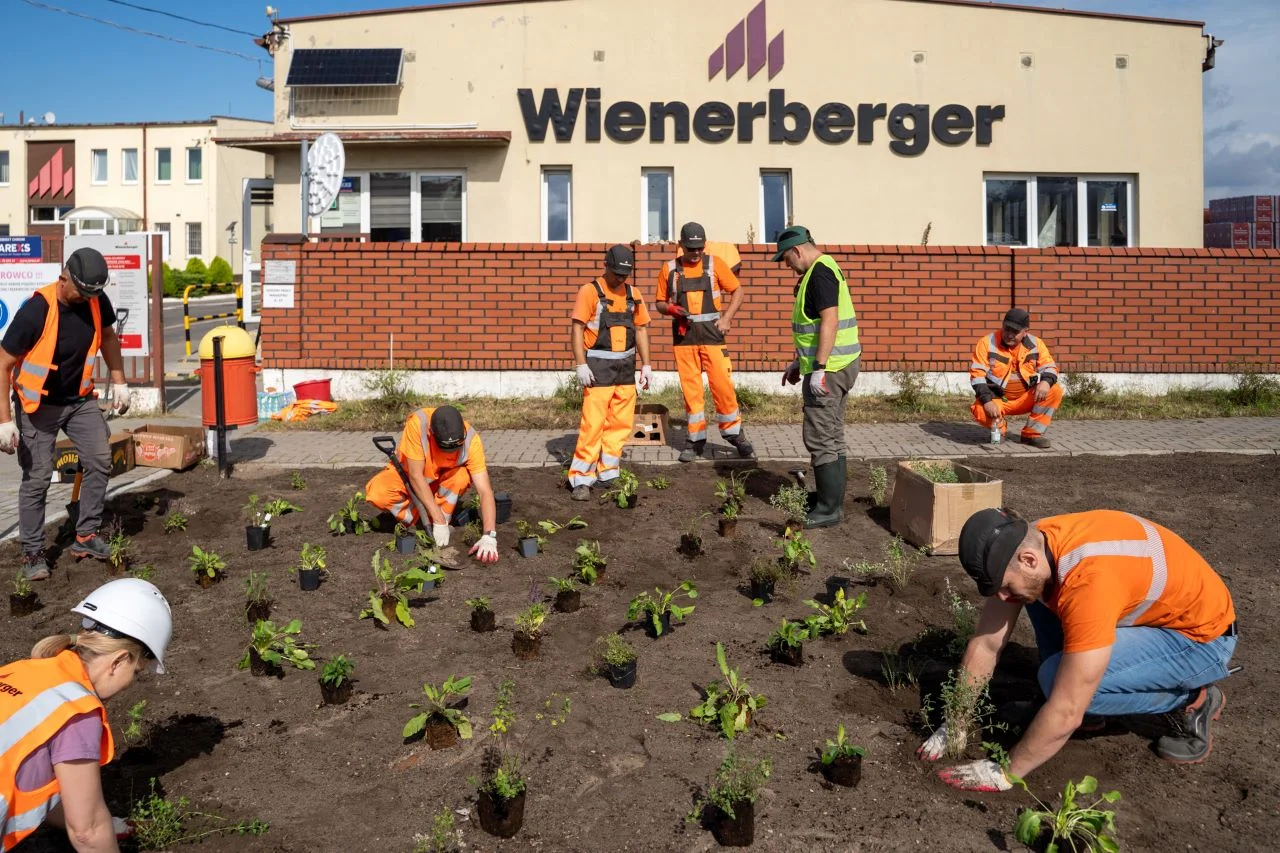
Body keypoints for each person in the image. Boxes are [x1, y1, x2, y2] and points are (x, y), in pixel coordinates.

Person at [920, 508, 1238, 792]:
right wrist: (956, 720)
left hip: (1199, 639)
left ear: (1027, 559)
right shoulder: (1034, 546)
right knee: (1030, 593)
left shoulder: (1089, 584)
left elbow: (1068, 709)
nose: (1002, 598)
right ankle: (1095, 710)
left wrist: (1004, 772)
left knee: (1058, 681)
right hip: (1153, 612)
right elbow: (987, 643)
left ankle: (1195, 698)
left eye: (1003, 586)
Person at [1, 577, 172, 851]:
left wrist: (100, 820)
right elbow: (87, 832)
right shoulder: (77, 711)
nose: (131, 683)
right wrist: (96, 825)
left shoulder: (21, 671)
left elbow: (30, 777)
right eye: (136, 672)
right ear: (118, 662)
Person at [0, 248, 132, 580]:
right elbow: (2, 364)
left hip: (79, 400)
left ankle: (85, 535)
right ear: (64, 277)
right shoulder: (37, 310)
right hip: (38, 407)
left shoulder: (95, 300)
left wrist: (119, 382)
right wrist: (3, 420)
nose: (88, 298)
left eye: (94, 292)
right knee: (38, 478)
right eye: (83, 291)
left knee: (100, 458)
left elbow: (109, 339)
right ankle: (32, 553)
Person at [773, 226, 862, 528]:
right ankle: (829, 499)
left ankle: (828, 509)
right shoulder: (822, 270)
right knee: (832, 435)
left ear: (797, 250)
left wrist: (819, 369)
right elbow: (811, 328)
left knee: (820, 437)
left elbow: (830, 321)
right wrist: (799, 362)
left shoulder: (819, 273)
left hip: (831, 369)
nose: (787, 266)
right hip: (837, 365)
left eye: (786, 259)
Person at [654, 223, 754, 463]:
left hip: (712, 336)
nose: (696, 252)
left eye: (700, 247)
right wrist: (669, 308)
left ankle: (734, 435)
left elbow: (738, 291)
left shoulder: (715, 264)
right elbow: (658, 303)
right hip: (684, 337)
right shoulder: (669, 269)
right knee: (692, 392)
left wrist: (727, 318)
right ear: (681, 246)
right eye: (691, 248)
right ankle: (695, 440)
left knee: (723, 386)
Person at [364, 405, 500, 564]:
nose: (450, 453)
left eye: (455, 448)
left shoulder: (471, 440)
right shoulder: (419, 424)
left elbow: (485, 490)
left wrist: (489, 535)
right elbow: (415, 476)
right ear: (431, 434)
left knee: (461, 476)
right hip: (409, 478)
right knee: (378, 493)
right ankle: (421, 522)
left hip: (441, 482)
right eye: (444, 449)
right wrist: (438, 520)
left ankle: (437, 520)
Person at [568, 244, 652, 500]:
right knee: (593, 424)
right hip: (598, 370)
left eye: (625, 274)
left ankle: (609, 472)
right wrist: (580, 364)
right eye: (617, 273)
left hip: (625, 370)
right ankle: (582, 478)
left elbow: (641, 330)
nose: (621, 279)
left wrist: (646, 365)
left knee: (620, 424)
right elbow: (577, 329)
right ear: (606, 266)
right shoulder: (589, 291)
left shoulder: (633, 294)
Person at [969, 308, 1062, 448]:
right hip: (998, 399)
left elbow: (1050, 367)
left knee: (1054, 391)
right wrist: (987, 401)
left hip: (1026, 398)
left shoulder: (1036, 344)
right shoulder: (986, 342)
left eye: (1015, 332)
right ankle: (998, 430)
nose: (1009, 335)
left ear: (1025, 332)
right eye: (1007, 329)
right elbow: (977, 374)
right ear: (1002, 325)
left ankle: (1031, 435)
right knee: (980, 409)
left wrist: (1046, 382)